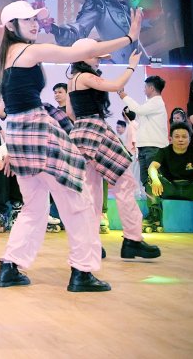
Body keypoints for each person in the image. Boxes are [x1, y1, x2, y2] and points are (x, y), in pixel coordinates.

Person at [0, 0, 142, 293]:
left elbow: (3, 109)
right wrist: (129, 37)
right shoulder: (28, 51)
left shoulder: (5, 59)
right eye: (27, 20)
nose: (34, 24)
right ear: (11, 25)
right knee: (78, 200)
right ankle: (83, 271)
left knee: (34, 207)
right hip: (38, 133)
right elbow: (77, 53)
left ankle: (10, 266)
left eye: (35, 19)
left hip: (20, 138)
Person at [66, 39, 160, 259]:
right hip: (96, 131)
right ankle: (132, 240)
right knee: (124, 181)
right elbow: (117, 86)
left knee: (92, 190)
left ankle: (90, 243)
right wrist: (131, 66)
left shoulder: (74, 79)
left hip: (81, 132)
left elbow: (70, 112)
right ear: (82, 56)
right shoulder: (85, 77)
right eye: (96, 56)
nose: (99, 60)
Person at [50, 0, 141, 64]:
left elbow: (135, 43)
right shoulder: (98, 3)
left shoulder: (127, 8)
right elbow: (80, 29)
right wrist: (59, 31)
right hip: (111, 64)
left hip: (133, 65)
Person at [119, 75, 168, 229]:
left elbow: (138, 109)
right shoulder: (152, 104)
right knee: (146, 181)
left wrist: (124, 95)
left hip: (154, 147)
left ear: (151, 88)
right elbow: (139, 115)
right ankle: (153, 214)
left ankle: (156, 216)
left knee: (152, 181)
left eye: (145, 87)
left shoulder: (157, 102)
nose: (144, 89)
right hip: (146, 147)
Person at [146, 123, 193, 230]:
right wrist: (156, 180)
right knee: (151, 179)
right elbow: (152, 167)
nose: (180, 139)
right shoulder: (163, 151)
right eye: (177, 136)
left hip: (191, 189)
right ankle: (154, 218)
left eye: (184, 136)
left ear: (189, 139)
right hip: (169, 188)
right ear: (171, 139)